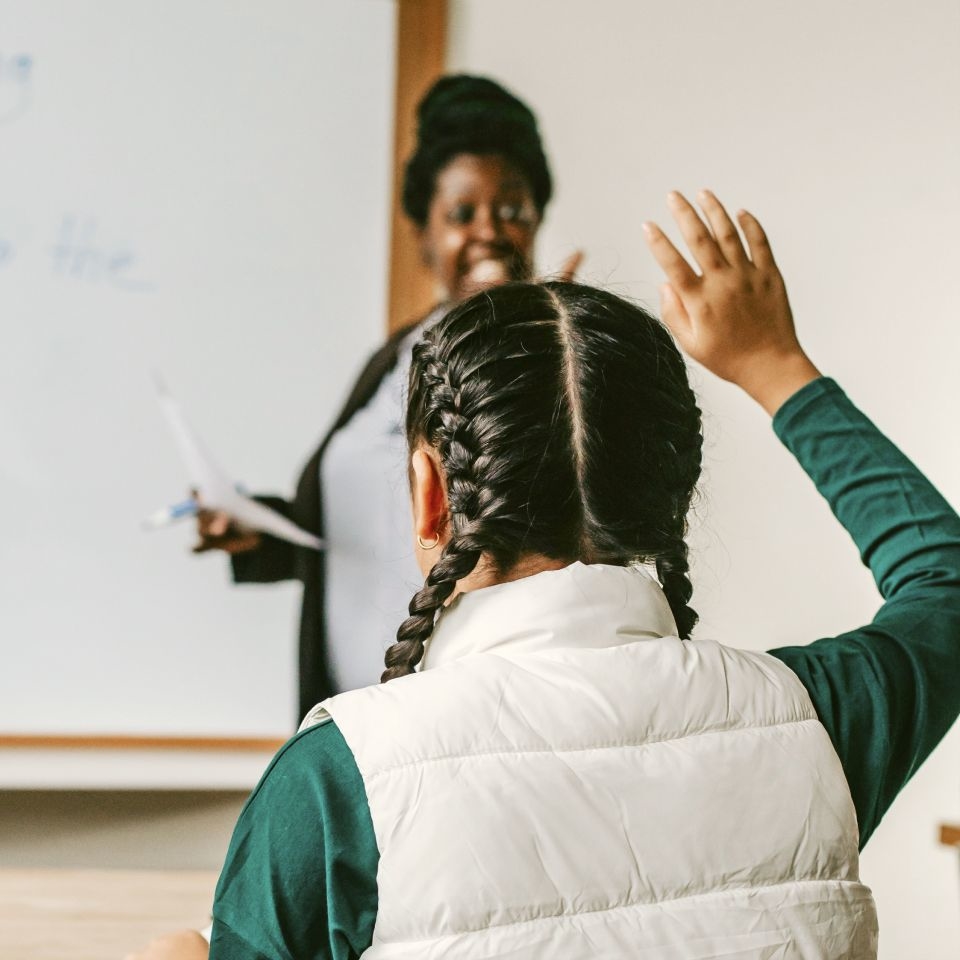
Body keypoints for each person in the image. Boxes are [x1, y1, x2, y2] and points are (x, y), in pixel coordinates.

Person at [139, 191, 960, 959]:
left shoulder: (332, 784)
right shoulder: (815, 721)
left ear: (429, 495)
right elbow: (945, 581)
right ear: (673, 499)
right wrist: (776, 364)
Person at [193, 74, 580, 722]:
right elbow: (366, 530)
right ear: (425, 236)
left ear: (536, 221)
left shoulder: (543, 360)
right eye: (462, 213)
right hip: (353, 719)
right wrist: (255, 531)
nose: (489, 230)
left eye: (511, 210)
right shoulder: (397, 354)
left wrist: (541, 344)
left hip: (459, 725)